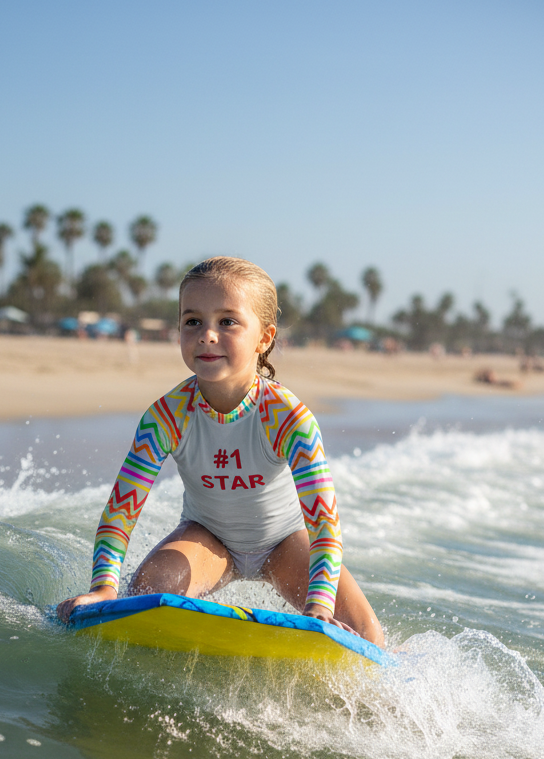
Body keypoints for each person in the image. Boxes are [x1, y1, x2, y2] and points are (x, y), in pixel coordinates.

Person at [56, 257, 384, 647]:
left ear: (264, 338)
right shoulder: (167, 416)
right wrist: (104, 588)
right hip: (208, 538)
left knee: (368, 637)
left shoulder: (287, 417)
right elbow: (121, 511)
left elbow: (324, 524)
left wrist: (319, 608)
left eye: (227, 321)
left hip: (284, 543)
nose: (207, 335)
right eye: (193, 321)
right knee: (146, 592)